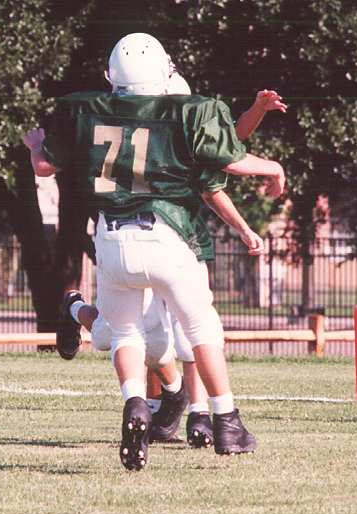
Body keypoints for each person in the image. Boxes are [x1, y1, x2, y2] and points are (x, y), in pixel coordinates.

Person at [23, 32, 285, 470]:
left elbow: (45, 166)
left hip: (111, 238)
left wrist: (34, 146)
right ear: (163, 72)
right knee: (200, 328)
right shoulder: (187, 112)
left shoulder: (86, 110)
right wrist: (273, 167)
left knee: (124, 333)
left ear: (112, 75)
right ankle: (226, 420)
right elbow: (228, 156)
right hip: (165, 235)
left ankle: (135, 402)